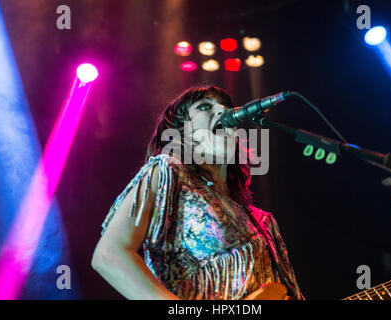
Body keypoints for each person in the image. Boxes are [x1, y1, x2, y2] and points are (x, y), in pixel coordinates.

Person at [91, 85, 304, 300]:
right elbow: (109, 254)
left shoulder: (261, 221)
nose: (222, 111)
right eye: (204, 107)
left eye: (226, 106)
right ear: (180, 131)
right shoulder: (167, 172)